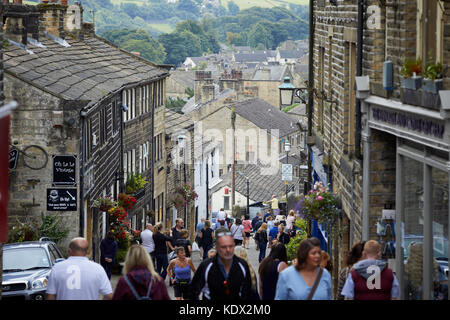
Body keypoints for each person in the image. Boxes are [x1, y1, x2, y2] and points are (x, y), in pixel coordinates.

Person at [188, 232, 253, 300]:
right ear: (217, 248)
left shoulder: (242, 265)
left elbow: (248, 291)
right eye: (223, 247)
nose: (228, 250)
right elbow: (193, 290)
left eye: (230, 246)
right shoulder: (206, 266)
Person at [46, 237, 113, 300]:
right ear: (87, 251)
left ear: (69, 250)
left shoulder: (57, 268)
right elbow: (109, 296)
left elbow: (50, 296)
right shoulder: (98, 269)